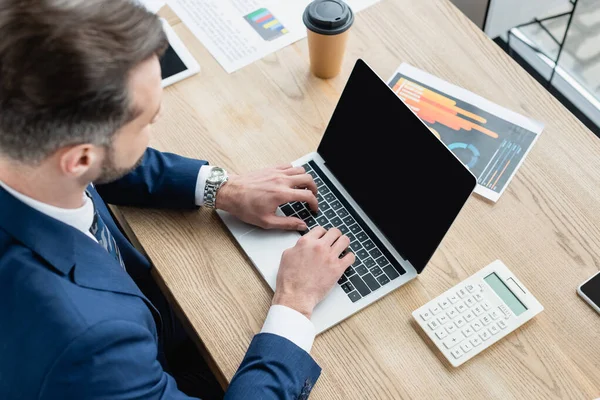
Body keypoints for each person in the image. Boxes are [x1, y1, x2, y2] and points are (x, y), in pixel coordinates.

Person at [0, 1, 355, 399]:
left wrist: (221, 187)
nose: (156, 126)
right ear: (81, 158)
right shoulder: (93, 343)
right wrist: (295, 303)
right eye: (148, 120)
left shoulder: (23, 141)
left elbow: (97, 153)